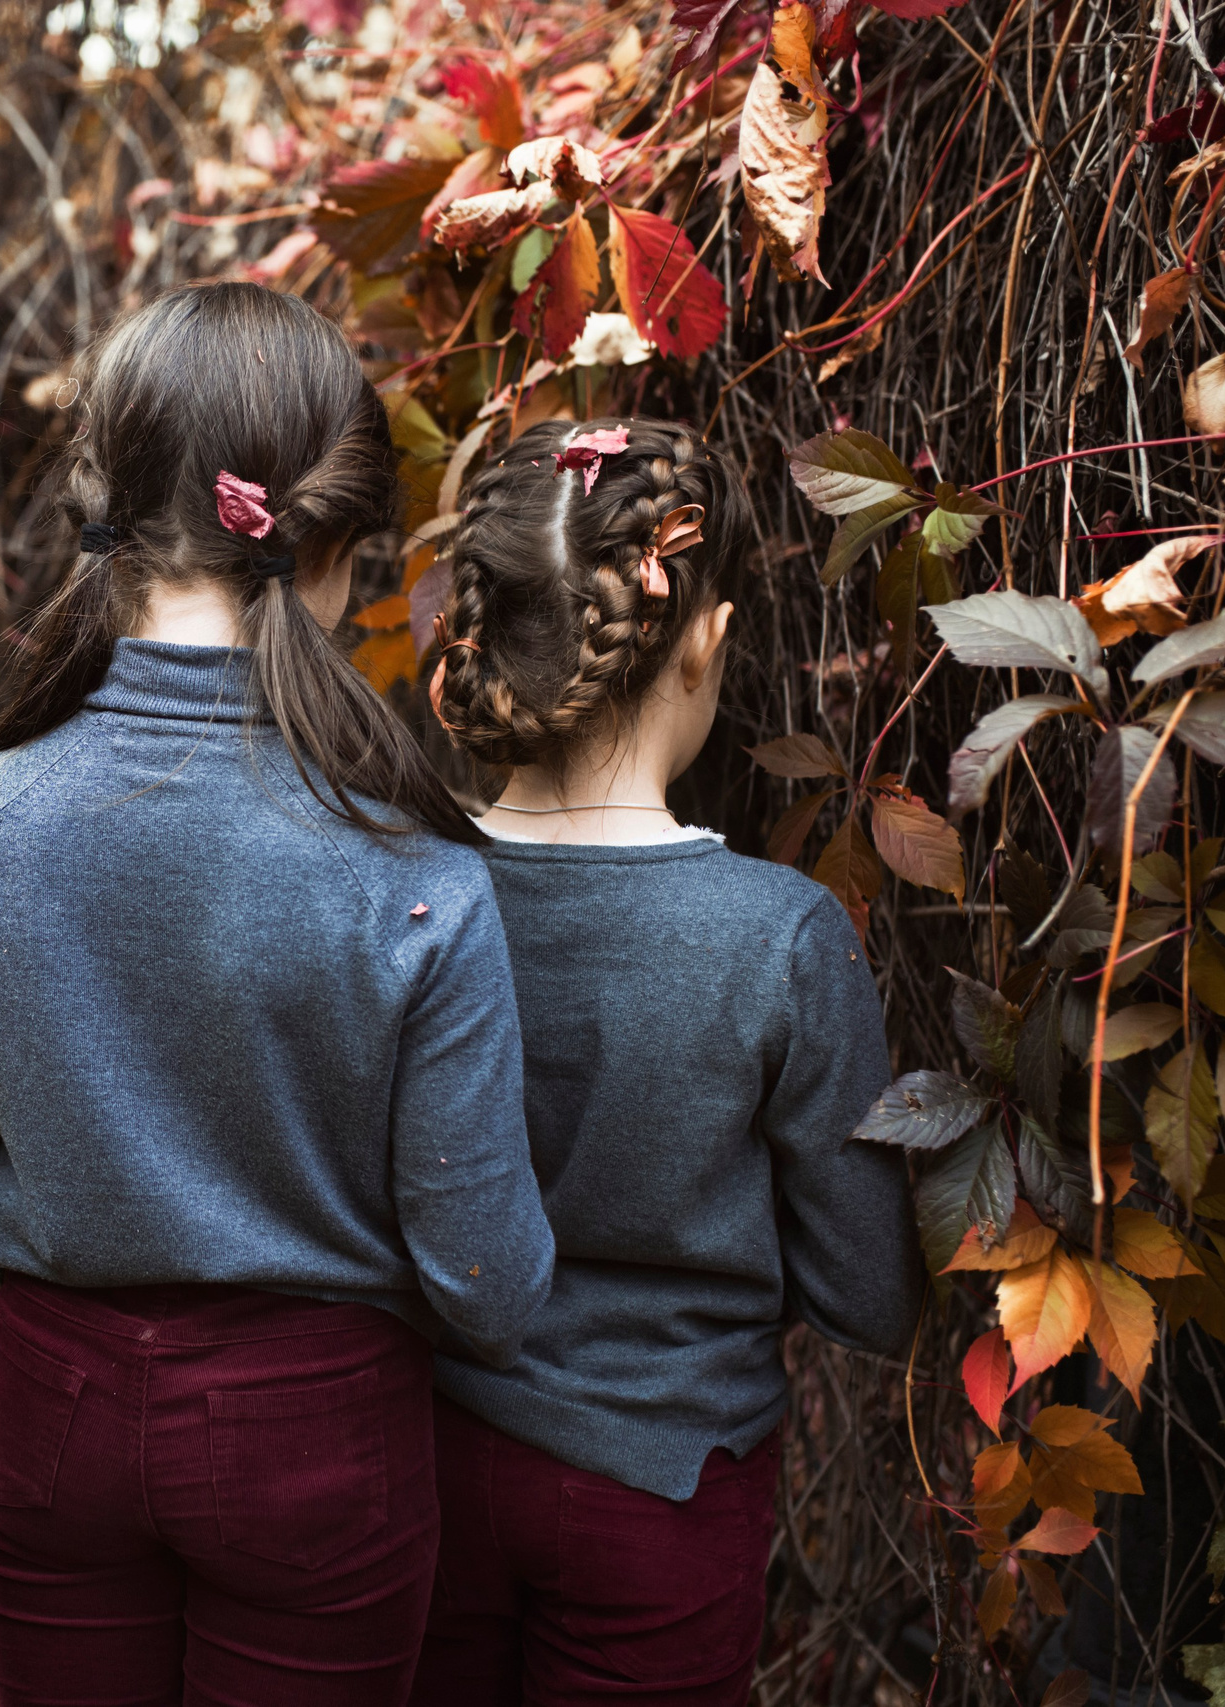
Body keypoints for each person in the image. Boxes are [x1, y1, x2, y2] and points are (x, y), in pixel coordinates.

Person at [0, 282, 555, 1707]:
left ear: (105, 506)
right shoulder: (414, 871)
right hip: (317, 1446)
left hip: (50, 1415)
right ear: (340, 553)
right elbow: (483, 1285)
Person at [409, 419, 924, 1707]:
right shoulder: (780, 937)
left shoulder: (401, 893)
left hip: (424, 1461)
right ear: (704, 637)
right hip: (667, 1484)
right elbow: (870, 1290)